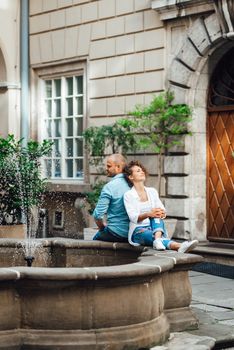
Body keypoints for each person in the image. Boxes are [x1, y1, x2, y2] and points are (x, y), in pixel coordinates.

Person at [123, 160, 198, 253]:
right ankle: (179, 245)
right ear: (130, 176)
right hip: (138, 230)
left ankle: (158, 241)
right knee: (152, 234)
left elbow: (162, 210)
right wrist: (149, 214)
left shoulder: (152, 191)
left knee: (156, 216)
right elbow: (133, 217)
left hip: (155, 227)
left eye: (142, 170)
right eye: (138, 171)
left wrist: (161, 212)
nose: (142, 172)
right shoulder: (128, 195)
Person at [92, 154, 130, 242]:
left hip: (116, 232)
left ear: (118, 167)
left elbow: (97, 215)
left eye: (109, 166)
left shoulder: (109, 187)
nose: (106, 168)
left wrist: (102, 227)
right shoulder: (132, 183)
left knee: (94, 241)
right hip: (133, 233)